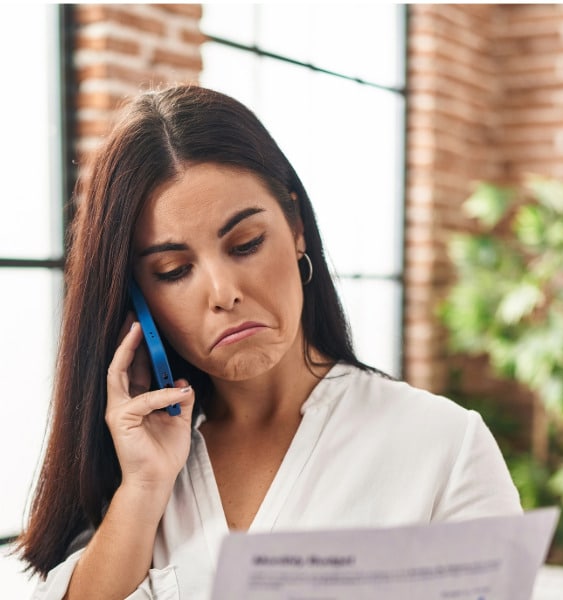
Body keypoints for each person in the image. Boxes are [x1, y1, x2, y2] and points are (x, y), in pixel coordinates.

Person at [18, 85, 522, 600]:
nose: (224, 293)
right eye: (173, 270)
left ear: (297, 228)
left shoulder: (444, 444)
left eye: (246, 244)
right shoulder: (137, 464)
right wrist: (144, 487)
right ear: (139, 299)